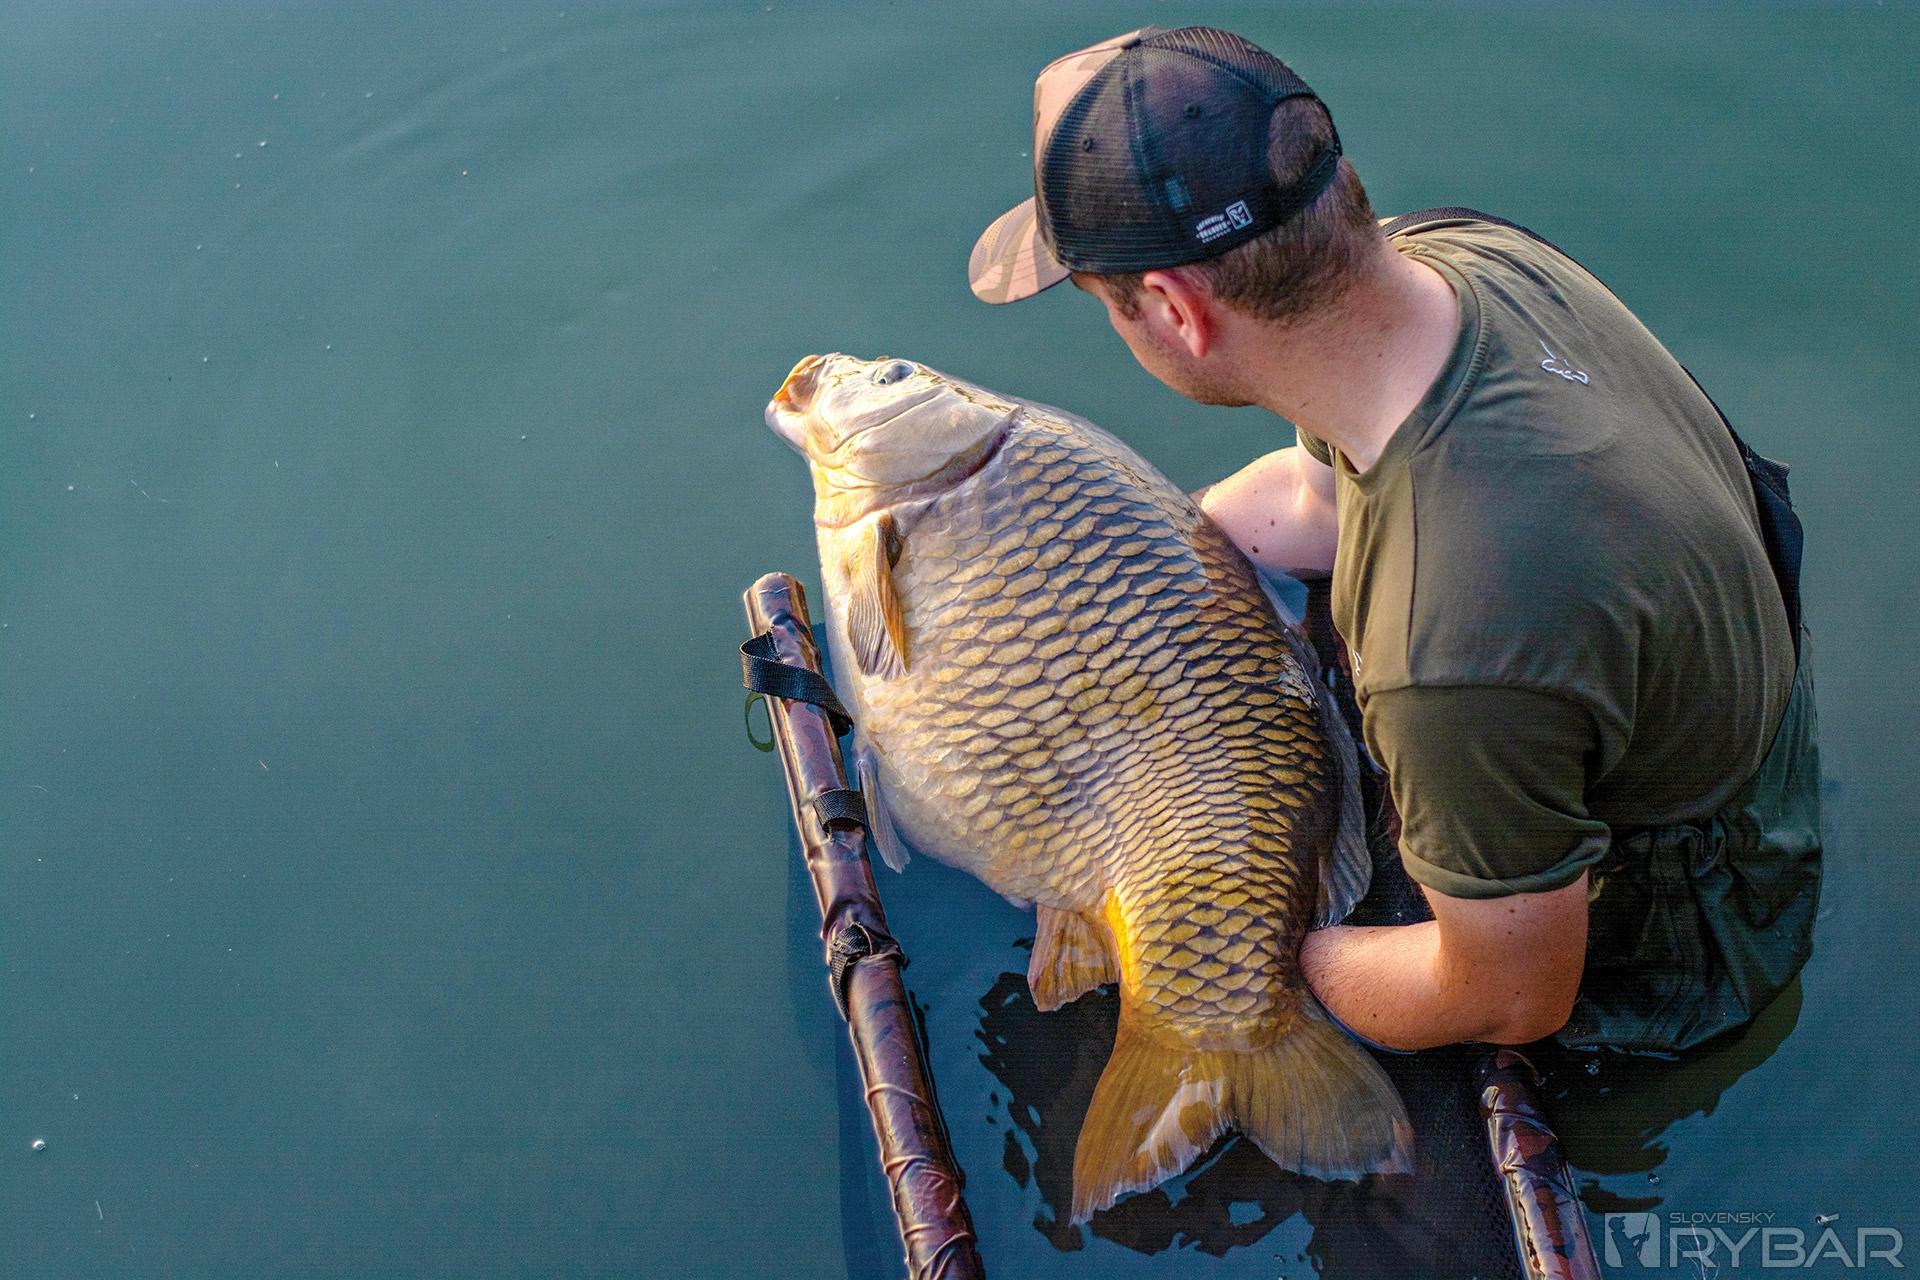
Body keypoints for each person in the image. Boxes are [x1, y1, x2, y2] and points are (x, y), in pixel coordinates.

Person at [967, 25, 1821, 1053]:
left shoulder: (1449, 643)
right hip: (1690, 674)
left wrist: (1245, 946)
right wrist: (1137, 568)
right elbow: (1321, 501)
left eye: (1108, 307)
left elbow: (1510, 997)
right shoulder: (1450, 260)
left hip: (1688, 916)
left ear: (1173, 308)